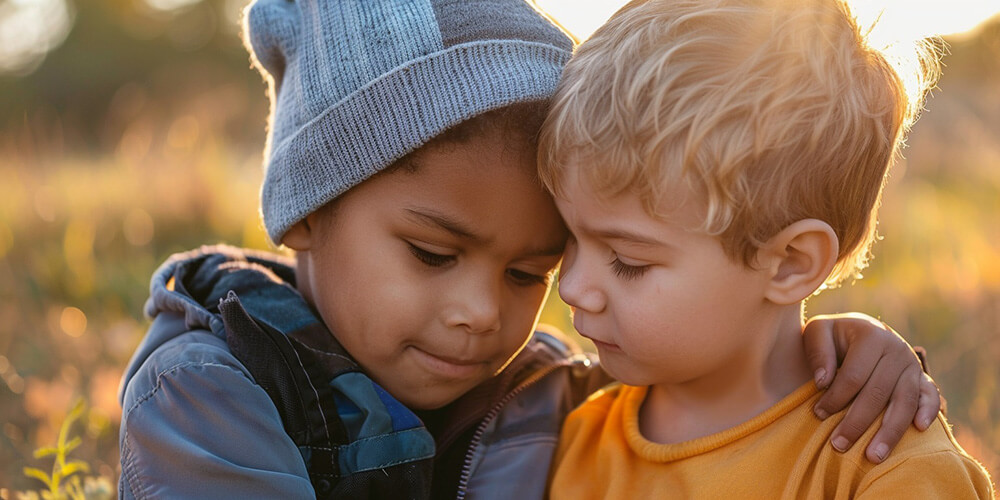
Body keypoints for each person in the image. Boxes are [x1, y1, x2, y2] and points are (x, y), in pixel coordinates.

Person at [117, 0, 943, 499]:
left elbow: (728, 360)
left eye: (528, 271)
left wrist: (847, 345)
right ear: (307, 210)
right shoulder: (211, 392)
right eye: (433, 255)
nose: (484, 314)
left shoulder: (546, 395)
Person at [540, 0, 995, 497]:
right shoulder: (577, 438)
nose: (572, 288)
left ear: (791, 263)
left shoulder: (889, 472)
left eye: (629, 262)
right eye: (569, 236)